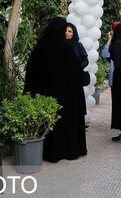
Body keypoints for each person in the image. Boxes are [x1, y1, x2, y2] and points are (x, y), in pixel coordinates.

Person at [25, 17, 87, 161]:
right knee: (64, 123)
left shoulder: (40, 48)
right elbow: (76, 75)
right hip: (66, 99)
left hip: (44, 97)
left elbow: (31, 74)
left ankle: (46, 151)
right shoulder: (67, 49)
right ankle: (67, 150)